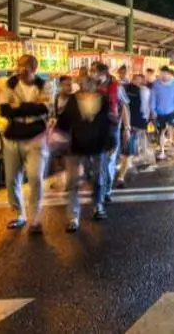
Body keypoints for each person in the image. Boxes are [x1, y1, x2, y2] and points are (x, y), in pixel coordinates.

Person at [0, 54, 52, 233]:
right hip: (13, 137)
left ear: (34, 69)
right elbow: (4, 110)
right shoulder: (10, 84)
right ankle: (19, 214)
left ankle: (35, 218)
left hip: (36, 137)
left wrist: (19, 107)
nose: (20, 71)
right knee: (11, 179)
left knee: (36, 177)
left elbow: (45, 108)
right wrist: (31, 107)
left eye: (25, 69)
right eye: (18, 67)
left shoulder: (44, 85)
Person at [55, 75, 114, 231]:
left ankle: (97, 206)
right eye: (83, 84)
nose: (86, 87)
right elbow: (64, 122)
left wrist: (109, 142)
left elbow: (106, 123)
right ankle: (74, 216)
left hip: (96, 146)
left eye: (88, 84)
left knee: (97, 179)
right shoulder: (73, 100)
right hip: (76, 146)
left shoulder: (103, 99)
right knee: (74, 182)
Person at [93, 62, 123, 202]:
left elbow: (124, 106)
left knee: (110, 161)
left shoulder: (116, 87)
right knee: (99, 161)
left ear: (102, 73)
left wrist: (126, 127)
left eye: (94, 71)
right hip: (95, 128)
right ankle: (101, 189)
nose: (92, 73)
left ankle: (107, 190)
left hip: (112, 127)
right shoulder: (90, 86)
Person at [117, 72, 149, 185]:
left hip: (124, 123)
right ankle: (121, 175)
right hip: (131, 122)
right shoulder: (141, 91)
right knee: (128, 151)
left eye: (140, 79)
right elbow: (143, 107)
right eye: (138, 79)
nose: (139, 81)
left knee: (125, 150)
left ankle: (121, 173)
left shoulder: (124, 88)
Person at [150, 66, 174, 161]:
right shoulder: (156, 84)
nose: (162, 76)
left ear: (168, 74)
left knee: (169, 128)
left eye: (164, 74)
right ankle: (162, 151)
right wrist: (153, 110)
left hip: (171, 111)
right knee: (161, 132)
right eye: (161, 74)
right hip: (159, 112)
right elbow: (153, 98)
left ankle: (171, 140)